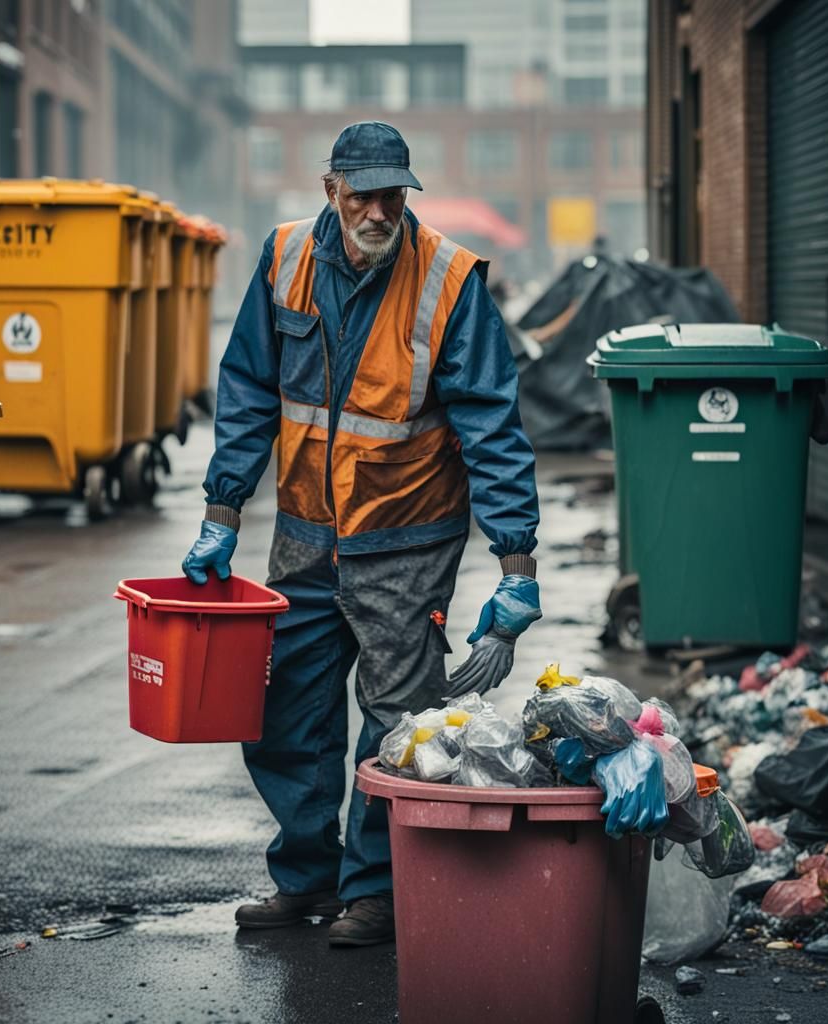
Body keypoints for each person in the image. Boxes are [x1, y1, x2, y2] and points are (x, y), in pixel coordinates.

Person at [182, 122, 541, 947]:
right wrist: (221, 511)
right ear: (330, 188)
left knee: (396, 725)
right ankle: (306, 878)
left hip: (407, 540)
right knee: (285, 714)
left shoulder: (447, 280)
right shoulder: (283, 260)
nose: (380, 209)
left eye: (393, 193)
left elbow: (493, 422)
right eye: (364, 193)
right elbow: (246, 392)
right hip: (307, 537)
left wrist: (515, 563)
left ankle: (375, 890)